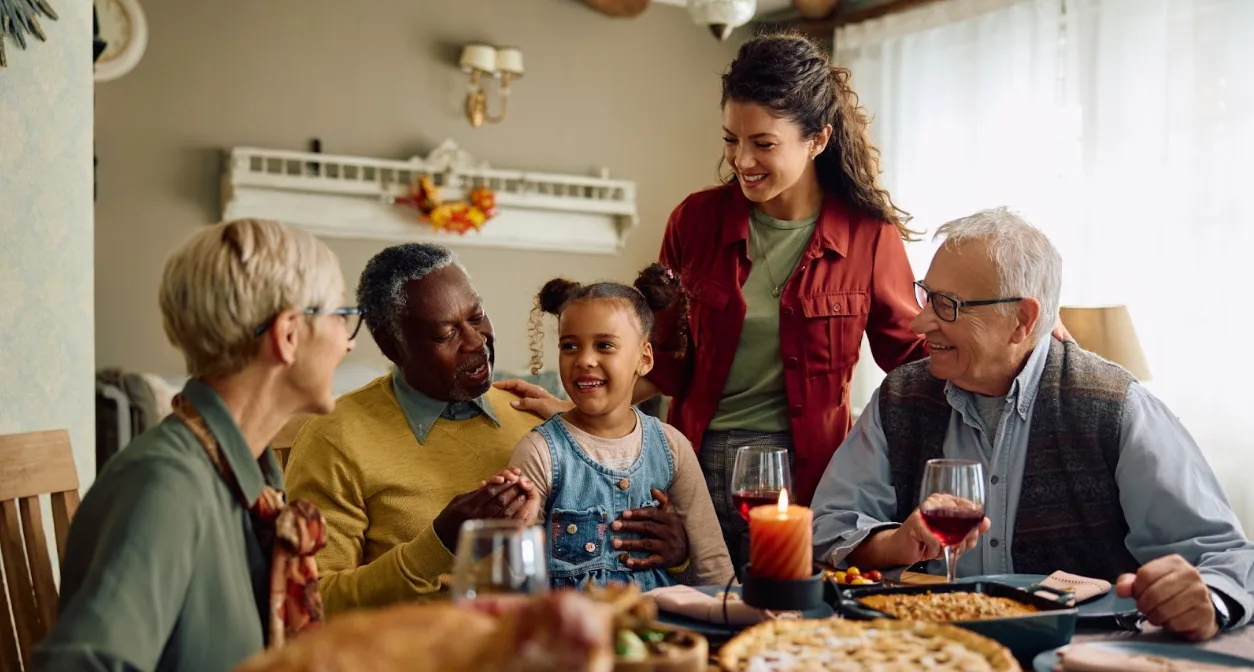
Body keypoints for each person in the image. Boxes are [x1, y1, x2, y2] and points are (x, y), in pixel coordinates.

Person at [811, 207, 1254, 641]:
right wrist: (895, 543)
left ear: (1022, 319)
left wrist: (1208, 601)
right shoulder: (900, 397)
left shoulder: (1116, 405)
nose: (920, 321)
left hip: (1078, 654)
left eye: (948, 306)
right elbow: (827, 525)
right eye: (927, 296)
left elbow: (1225, 556)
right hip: (933, 650)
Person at [285, 243, 692, 613]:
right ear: (392, 345)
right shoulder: (335, 438)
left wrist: (676, 554)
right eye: (446, 333)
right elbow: (310, 602)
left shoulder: (535, 416)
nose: (475, 341)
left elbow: (603, 548)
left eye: (477, 317)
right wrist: (438, 545)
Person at [34, 219, 358, 671]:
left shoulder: (253, 480)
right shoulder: (164, 487)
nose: (347, 343)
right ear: (289, 335)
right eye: (341, 316)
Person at [509, 265, 734, 590]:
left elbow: (711, 567)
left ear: (645, 358)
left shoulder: (672, 447)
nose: (584, 360)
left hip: (659, 618)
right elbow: (517, 575)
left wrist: (689, 565)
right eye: (569, 346)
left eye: (604, 345)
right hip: (571, 620)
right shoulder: (539, 451)